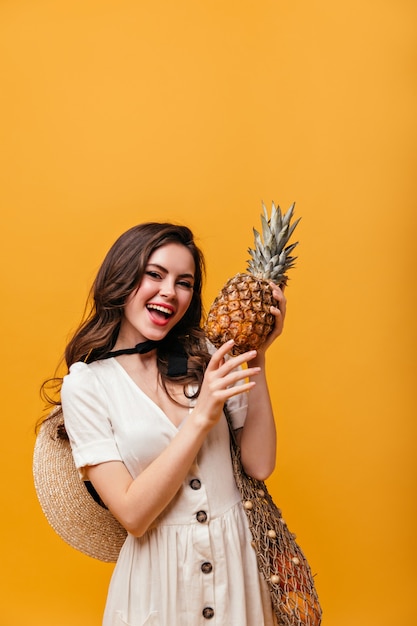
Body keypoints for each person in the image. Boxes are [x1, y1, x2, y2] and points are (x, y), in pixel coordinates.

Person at [55, 221, 286, 626]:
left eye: (185, 282)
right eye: (155, 274)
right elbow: (132, 513)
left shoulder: (205, 355)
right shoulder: (87, 385)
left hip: (238, 565)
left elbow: (259, 465)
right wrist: (201, 418)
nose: (169, 292)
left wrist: (257, 357)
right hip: (160, 581)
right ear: (123, 278)